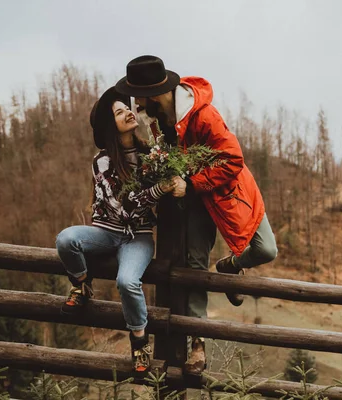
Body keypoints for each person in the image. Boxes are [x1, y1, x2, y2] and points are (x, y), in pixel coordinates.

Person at [116, 55, 278, 374]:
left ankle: (230, 267)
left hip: (230, 192)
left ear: (153, 92)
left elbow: (232, 159)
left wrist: (191, 183)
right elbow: (165, 156)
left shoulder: (203, 115)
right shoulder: (159, 119)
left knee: (265, 249)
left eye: (138, 96)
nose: (136, 104)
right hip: (193, 203)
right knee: (193, 268)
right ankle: (198, 344)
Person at [55, 86, 185, 372]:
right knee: (66, 239)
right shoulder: (102, 161)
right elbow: (122, 208)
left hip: (138, 238)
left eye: (127, 108)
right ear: (110, 125)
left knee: (127, 282)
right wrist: (158, 190)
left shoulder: (151, 155)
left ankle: (139, 343)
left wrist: (171, 184)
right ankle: (81, 284)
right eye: (119, 111)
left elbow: (142, 206)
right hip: (105, 231)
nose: (128, 111)